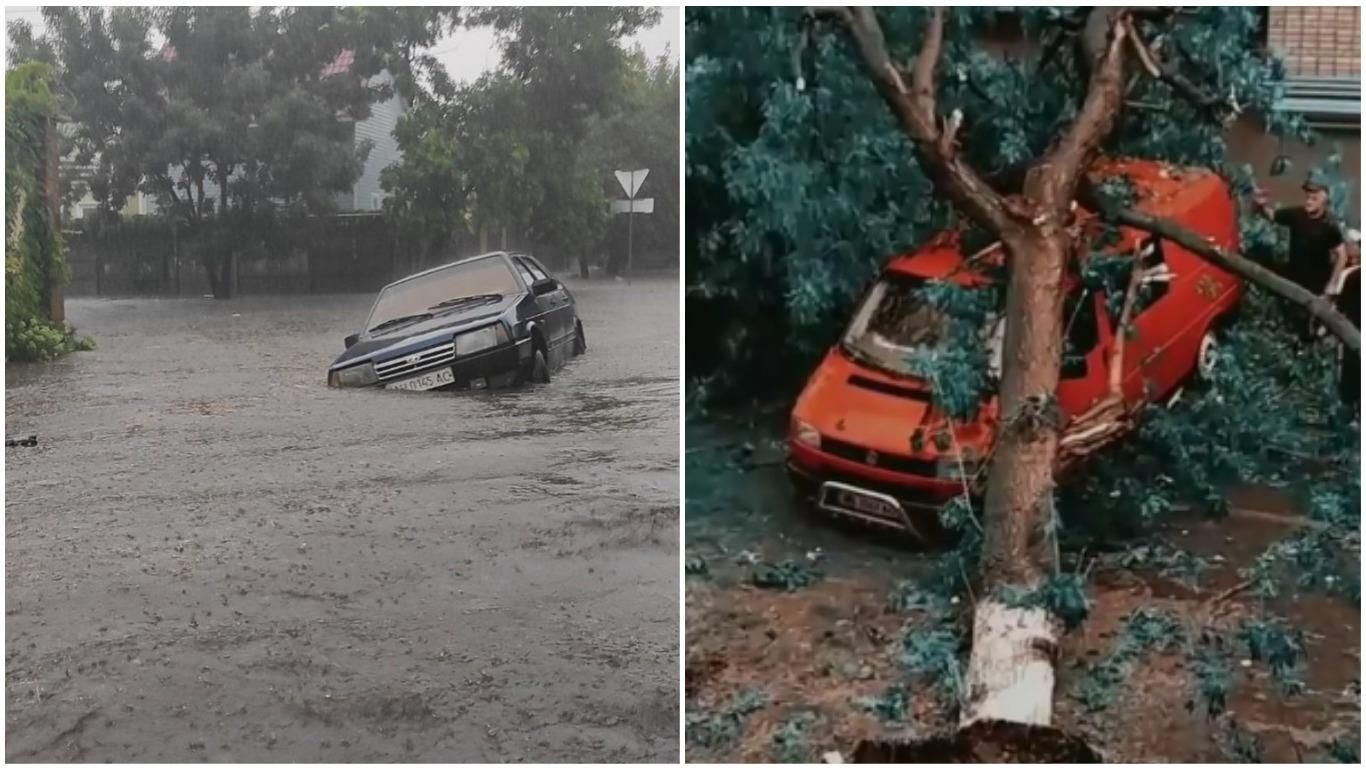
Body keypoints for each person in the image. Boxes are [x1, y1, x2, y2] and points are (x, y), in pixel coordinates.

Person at [1255, 171, 1348, 342]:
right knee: (1291, 318)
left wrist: (1332, 284)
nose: (1309, 198)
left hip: (1316, 284)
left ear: (1324, 198)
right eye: (1308, 194)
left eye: (1315, 195)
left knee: (1310, 323)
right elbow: (1272, 215)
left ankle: (1311, 341)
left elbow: (1342, 254)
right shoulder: (1296, 215)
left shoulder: (1330, 226)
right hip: (1294, 278)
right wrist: (1262, 205)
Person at [1335, 229, 1360, 415]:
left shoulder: (1351, 277)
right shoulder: (1351, 276)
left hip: (1353, 335)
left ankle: (1350, 410)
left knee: (1351, 375)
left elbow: (1340, 308)